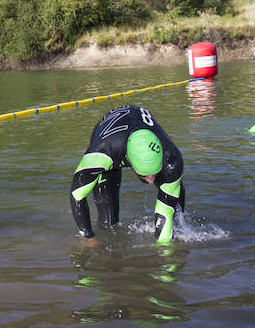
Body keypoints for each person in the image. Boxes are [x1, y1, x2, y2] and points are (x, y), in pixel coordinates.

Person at [69, 105, 185, 244]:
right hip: (111, 134)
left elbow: (164, 216)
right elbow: (77, 195)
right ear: (130, 162)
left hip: (139, 126)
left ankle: (179, 224)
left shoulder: (172, 158)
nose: (150, 181)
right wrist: (87, 236)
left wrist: (166, 253)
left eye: (154, 174)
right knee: (108, 223)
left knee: (172, 184)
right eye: (145, 176)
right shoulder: (101, 155)